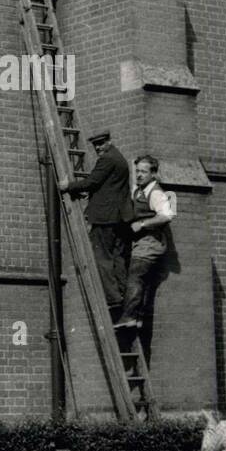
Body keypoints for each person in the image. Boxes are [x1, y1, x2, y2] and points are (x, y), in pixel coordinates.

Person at [59, 130, 133, 316]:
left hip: (105, 217)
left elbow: (93, 181)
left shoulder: (107, 159)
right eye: (95, 145)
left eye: (101, 143)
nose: (98, 148)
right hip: (119, 217)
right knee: (118, 258)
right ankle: (122, 294)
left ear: (109, 141)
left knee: (101, 257)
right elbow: (106, 187)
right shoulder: (119, 158)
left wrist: (69, 186)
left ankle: (112, 298)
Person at [116, 155, 172, 335]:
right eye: (137, 171)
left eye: (143, 172)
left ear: (153, 174)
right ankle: (138, 317)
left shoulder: (156, 192)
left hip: (150, 242)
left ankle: (129, 317)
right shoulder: (139, 189)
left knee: (135, 276)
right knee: (142, 280)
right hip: (140, 242)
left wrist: (142, 224)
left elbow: (166, 215)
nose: (139, 175)